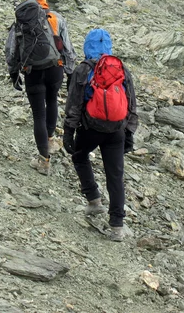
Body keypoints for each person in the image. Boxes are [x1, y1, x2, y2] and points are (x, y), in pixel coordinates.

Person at [63, 28, 138, 241]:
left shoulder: (83, 69)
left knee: (79, 156)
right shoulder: (121, 67)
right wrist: (129, 132)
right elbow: (132, 102)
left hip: (91, 128)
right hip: (117, 130)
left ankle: (94, 200)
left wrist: (69, 131)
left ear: (88, 46)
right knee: (115, 176)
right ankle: (117, 226)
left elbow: (74, 104)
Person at [5, 0, 76, 175]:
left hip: (32, 71)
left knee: (38, 114)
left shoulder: (21, 20)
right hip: (55, 69)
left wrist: (14, 73)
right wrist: (70, 73)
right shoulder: (56, 18)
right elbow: (68, 49)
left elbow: (11, 50)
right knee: (52, 100)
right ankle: (51, 138)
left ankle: (44, 160)